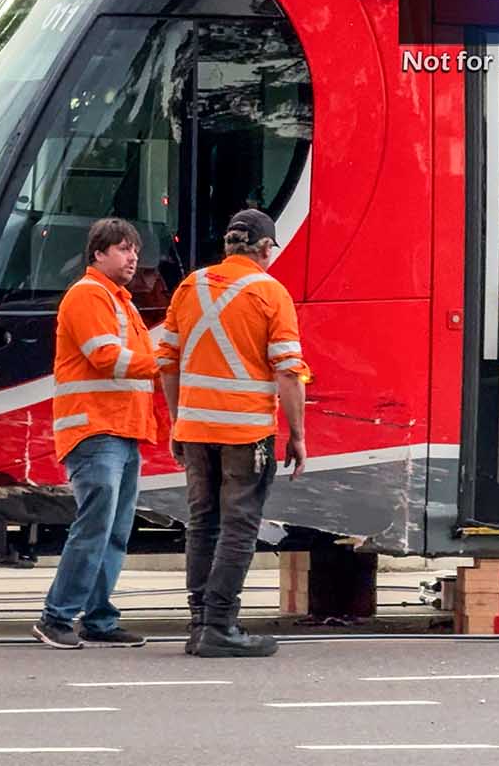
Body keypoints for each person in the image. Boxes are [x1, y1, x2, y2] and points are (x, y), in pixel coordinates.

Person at [157, 208, 309, 658]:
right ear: (264, 248)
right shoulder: (270, 292)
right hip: (245, 432)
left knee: (202, 525)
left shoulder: (190, 287)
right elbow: (288, 371)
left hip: (195, 429)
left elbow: (167, 362)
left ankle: (200, 624)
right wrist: (296, 434)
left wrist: (176, 421)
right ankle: (221, 625)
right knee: (239, 528)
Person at [34, 218, 160, 649]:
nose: (133, 258)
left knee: (113, 529)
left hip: (121, 431)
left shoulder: (122, 302)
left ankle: (99, 618)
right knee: (95, 527)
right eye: (123, 249)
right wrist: (168, 360)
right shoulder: (88, 295)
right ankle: (56, 617)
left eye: (135, 251)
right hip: (95, 429)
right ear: (98, 253)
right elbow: (105, 357)